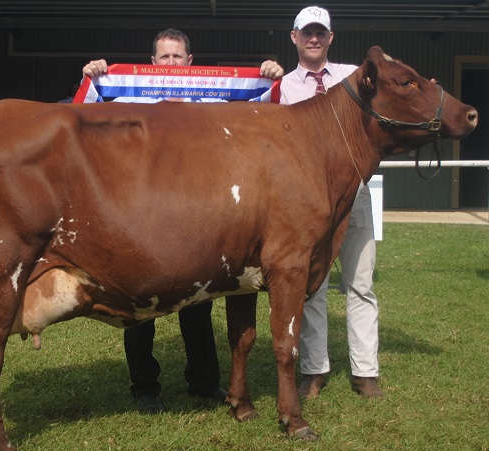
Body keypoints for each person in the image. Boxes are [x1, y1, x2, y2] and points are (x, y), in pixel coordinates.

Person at [82, 28, 284, 413]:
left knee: (199, 303)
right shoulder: (128, 96)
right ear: (151, 62)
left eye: (177, 57)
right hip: (141, 215)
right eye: (164, 57)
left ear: (190, 63)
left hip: (194, 218)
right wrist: (93, 77)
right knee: (140, 303)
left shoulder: (212, 99)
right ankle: (144, 387)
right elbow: (88, 115)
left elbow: (258, 110)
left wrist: (270, 79)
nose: (171, 64)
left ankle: (204, 382)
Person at [279, 7, 383, 399]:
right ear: (294, 37)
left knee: (361, 283)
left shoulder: (356, 78)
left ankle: (365, 371)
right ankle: (314, 369)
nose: (314, 39)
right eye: (307, 32)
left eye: (320, 32)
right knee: (313, 286)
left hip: (354, 195)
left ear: (330, 37)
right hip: (305, 204)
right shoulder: (283, 87)